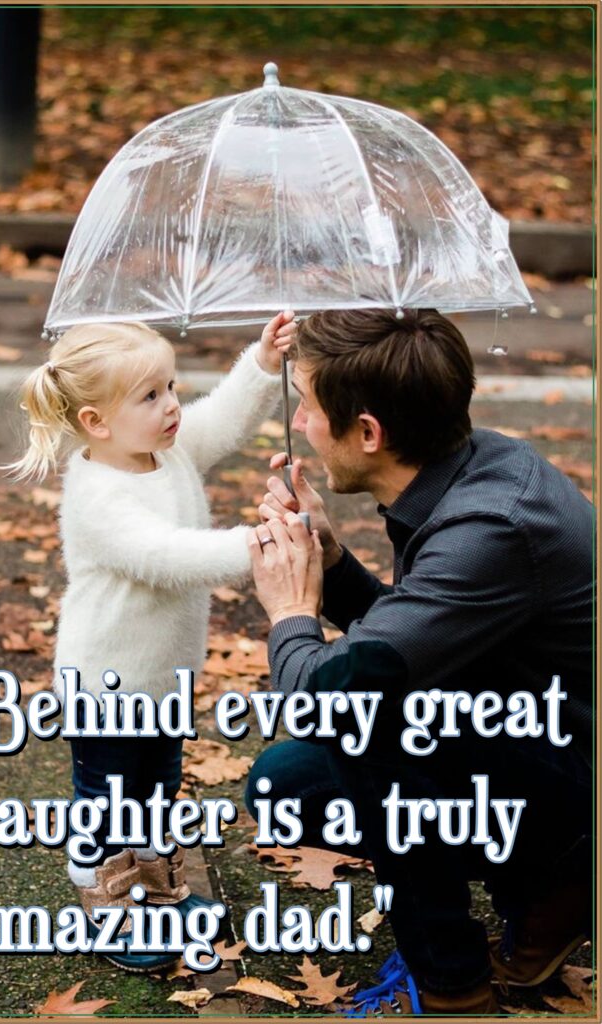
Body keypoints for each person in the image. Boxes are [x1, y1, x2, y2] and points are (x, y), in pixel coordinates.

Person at [245, 308, 593, 1016]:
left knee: (370, 727)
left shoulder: (490, 529)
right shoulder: (471, 465)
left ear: (367, 432)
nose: (302, 422)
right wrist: (333, 559)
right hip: (515, 729)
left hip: (571, 767)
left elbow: (332, 696)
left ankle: (455, 979)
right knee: (287, 787)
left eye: (308, 405)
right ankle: (544, 881)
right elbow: (409, 635)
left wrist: (290, 610)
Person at [8, 313, 296, 971]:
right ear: (96, 423)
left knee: (156, 784)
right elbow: (167, 556)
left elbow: (221, 420)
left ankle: (153, 885)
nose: (172, 406)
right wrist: (258, 544)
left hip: (161, 676)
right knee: (110, 794)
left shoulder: (163, 449)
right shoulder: (99, 497)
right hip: (104, 683)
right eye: (150, 396)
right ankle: (105, 898)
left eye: (170, 386)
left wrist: (259, 361)